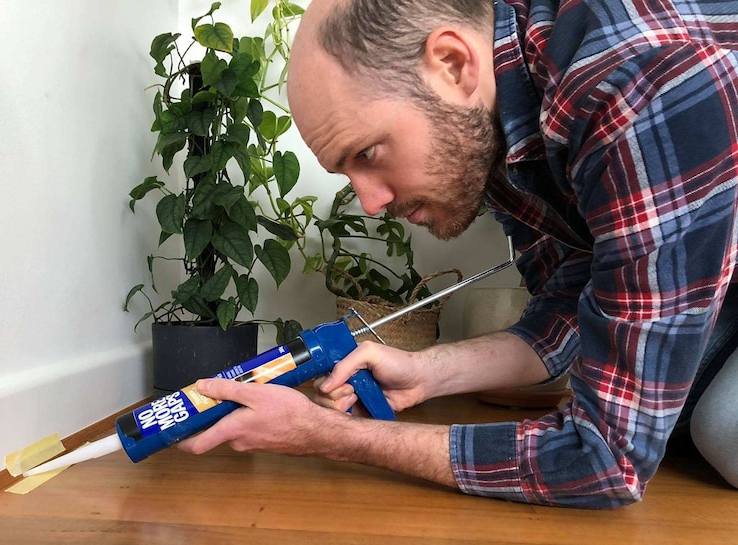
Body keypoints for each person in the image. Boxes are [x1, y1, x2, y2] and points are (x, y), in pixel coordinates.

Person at [178, 0, 738, 508]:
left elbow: (606, 458)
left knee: (721, 429)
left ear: (452, 63)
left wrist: (334, 437)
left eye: (368, 152)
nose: (370, 203)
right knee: (671, 413)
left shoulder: (636, 80)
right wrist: (426, 372)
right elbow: (567, 306)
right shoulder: (494, 123)